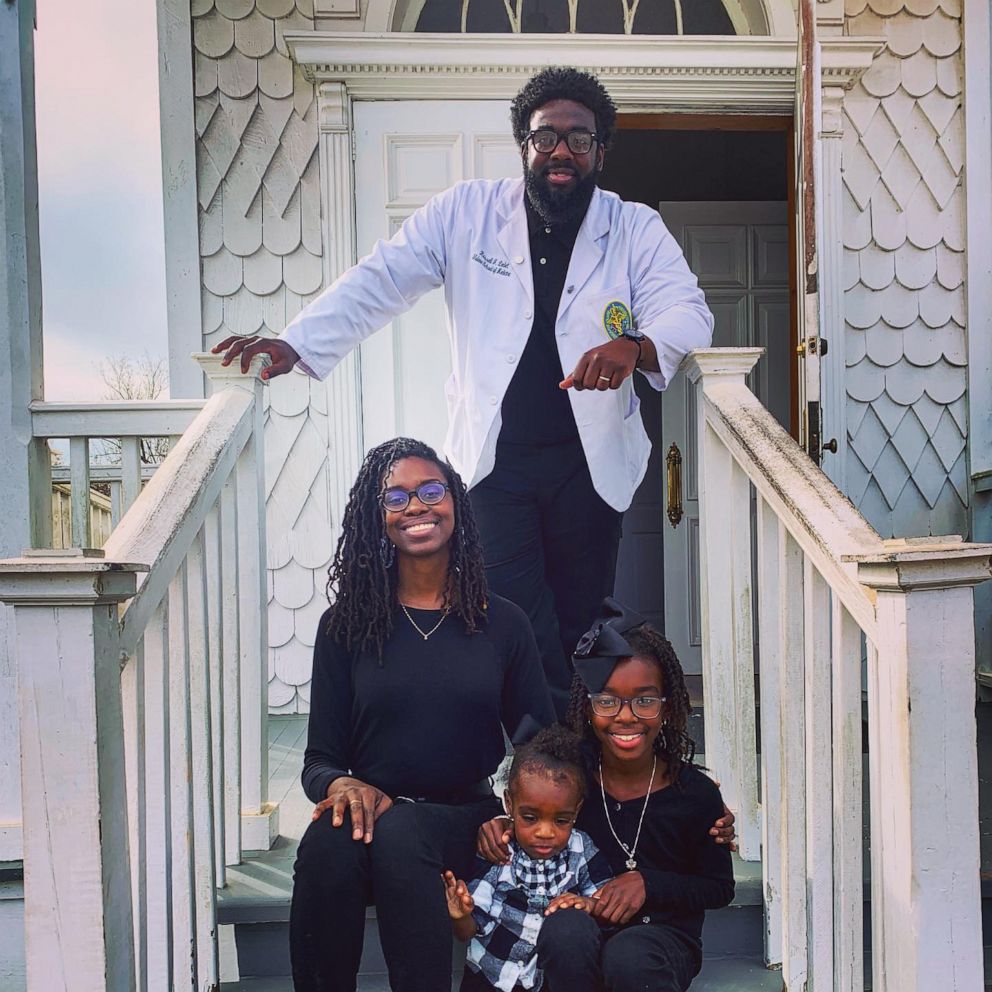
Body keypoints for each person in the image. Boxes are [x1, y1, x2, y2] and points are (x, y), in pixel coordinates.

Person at [213, 66, 714, 718]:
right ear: (524, 145)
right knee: (509, 610)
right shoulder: (467, 213)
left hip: (588, 463)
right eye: (545, 137)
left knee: (581, 616)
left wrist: (636, 347)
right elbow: (383, 278)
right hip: (495, 462)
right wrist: (297, 343)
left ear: (600, 150)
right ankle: (542, 761)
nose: (561, 150)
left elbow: (688, 310)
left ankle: (571, 766)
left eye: (579, 138)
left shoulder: (634, 227)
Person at [290, 437, 556, 992]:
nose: (416, 506)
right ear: (375, 519)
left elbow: (542, 746)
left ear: (456, 504)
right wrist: (341, 783)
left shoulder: (502, 623)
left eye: (431, 491)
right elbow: (318, 760)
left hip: (462, 820)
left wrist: (515, 814)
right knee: (323, 848)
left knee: (405, 828)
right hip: (370, 817)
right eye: (396, 498)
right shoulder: (345, 626)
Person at [477, 599, 734, 992]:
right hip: (581, 929)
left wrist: (649, 883)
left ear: (667, 709)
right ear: (588, 705)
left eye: (645, 700)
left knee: (629, 956)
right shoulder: (572, 776)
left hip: (660, 939)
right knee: (564, 929)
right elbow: (533, 806)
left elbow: (719, 887)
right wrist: (503, 824)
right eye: (608, 701)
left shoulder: (693, 794)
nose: (626, 716)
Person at [444, 725, 614, 992]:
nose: (545, 832)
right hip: (490, 977)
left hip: (547, 980)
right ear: (509, 804)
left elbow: (604, 898)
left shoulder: (581, 849)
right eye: (530, 818)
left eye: (561, 820)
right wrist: (459, 915)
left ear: (577, 810)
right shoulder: (498, 853)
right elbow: (470, 930)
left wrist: (586, 903)